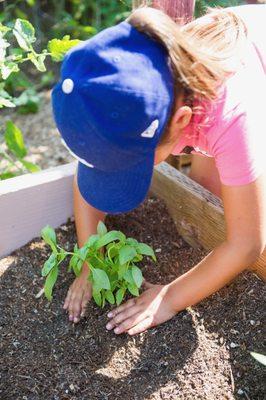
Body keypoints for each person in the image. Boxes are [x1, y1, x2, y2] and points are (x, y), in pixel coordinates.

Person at [51, 3, 266, 335]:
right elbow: (90, 172)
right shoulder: (117, 91)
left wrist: (169, 297)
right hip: (217, 96)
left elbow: (248, 242)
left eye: (131, 164)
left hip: (250, 79)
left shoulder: (233, 118)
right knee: (204, 197)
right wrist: (89, 260)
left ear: (180, 123)